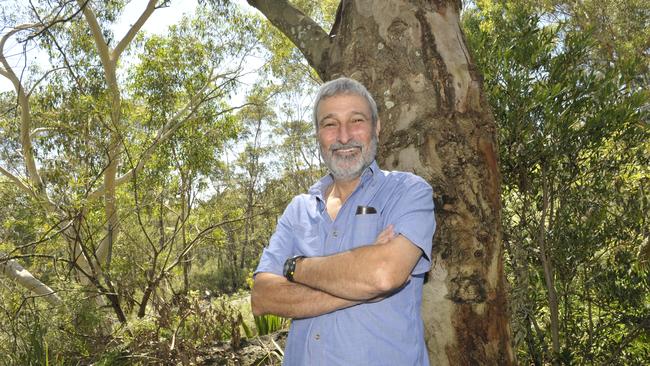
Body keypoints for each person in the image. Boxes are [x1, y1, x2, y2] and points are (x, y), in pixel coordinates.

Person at [251, 77, 436, 365]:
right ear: (318, 134)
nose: (344, 135)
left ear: (376, 128)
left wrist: (295, 267)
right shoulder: (298, 209)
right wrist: (361, 288)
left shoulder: (408, 192)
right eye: (330, 123)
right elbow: (263, 298)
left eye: (357, 120)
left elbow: (383, 274)